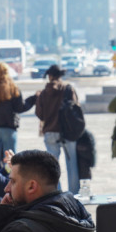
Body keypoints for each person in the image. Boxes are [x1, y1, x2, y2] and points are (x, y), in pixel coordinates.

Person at [0, 62, 38, 169]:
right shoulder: (13, 89)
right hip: (9, 129)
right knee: (11, 162)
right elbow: (20, 107)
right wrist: (33, 98)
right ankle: (10, 179)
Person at [34, 64, 80, 193]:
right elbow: (76, 108)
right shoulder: (68, 89)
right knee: (72, 165)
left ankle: (56, 194)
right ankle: (74, 195)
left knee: (53, 167)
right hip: (68, 132)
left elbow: (39, 114)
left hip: (50, 132)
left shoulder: (44, 93)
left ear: (49, 76)